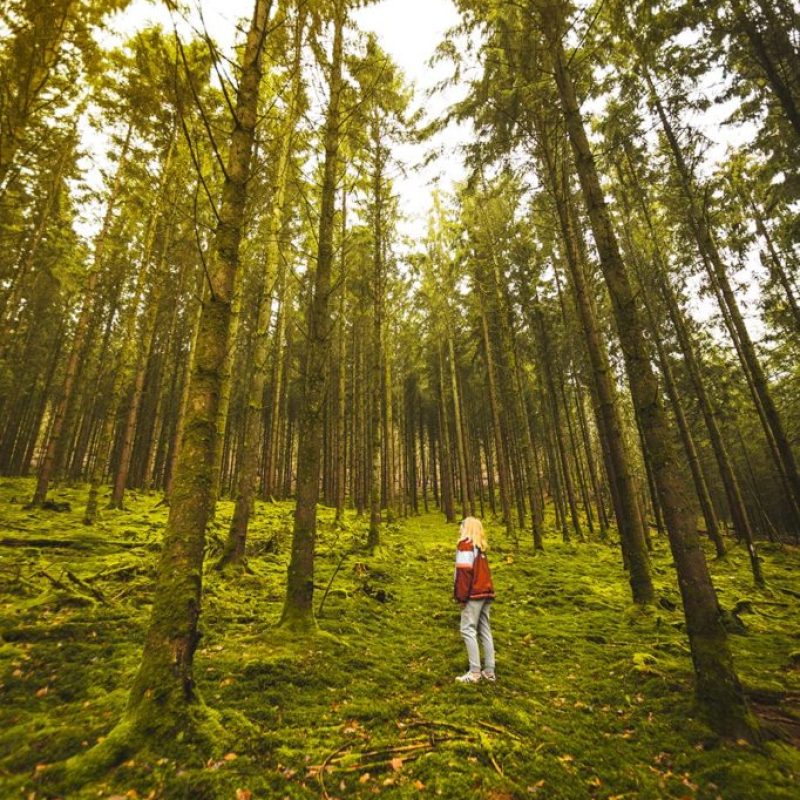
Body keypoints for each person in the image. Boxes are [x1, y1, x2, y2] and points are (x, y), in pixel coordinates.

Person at [453, 516, 496, 683]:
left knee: (467, 629)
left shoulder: (465, 545)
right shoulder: (480, 548)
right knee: (484, 629)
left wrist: (461, 597)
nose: (460, 528)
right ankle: (489, 671)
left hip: (474, 593)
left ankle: (474, 672)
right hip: (486, 592)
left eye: (462, 525)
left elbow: (464, 573)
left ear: (467, 528)